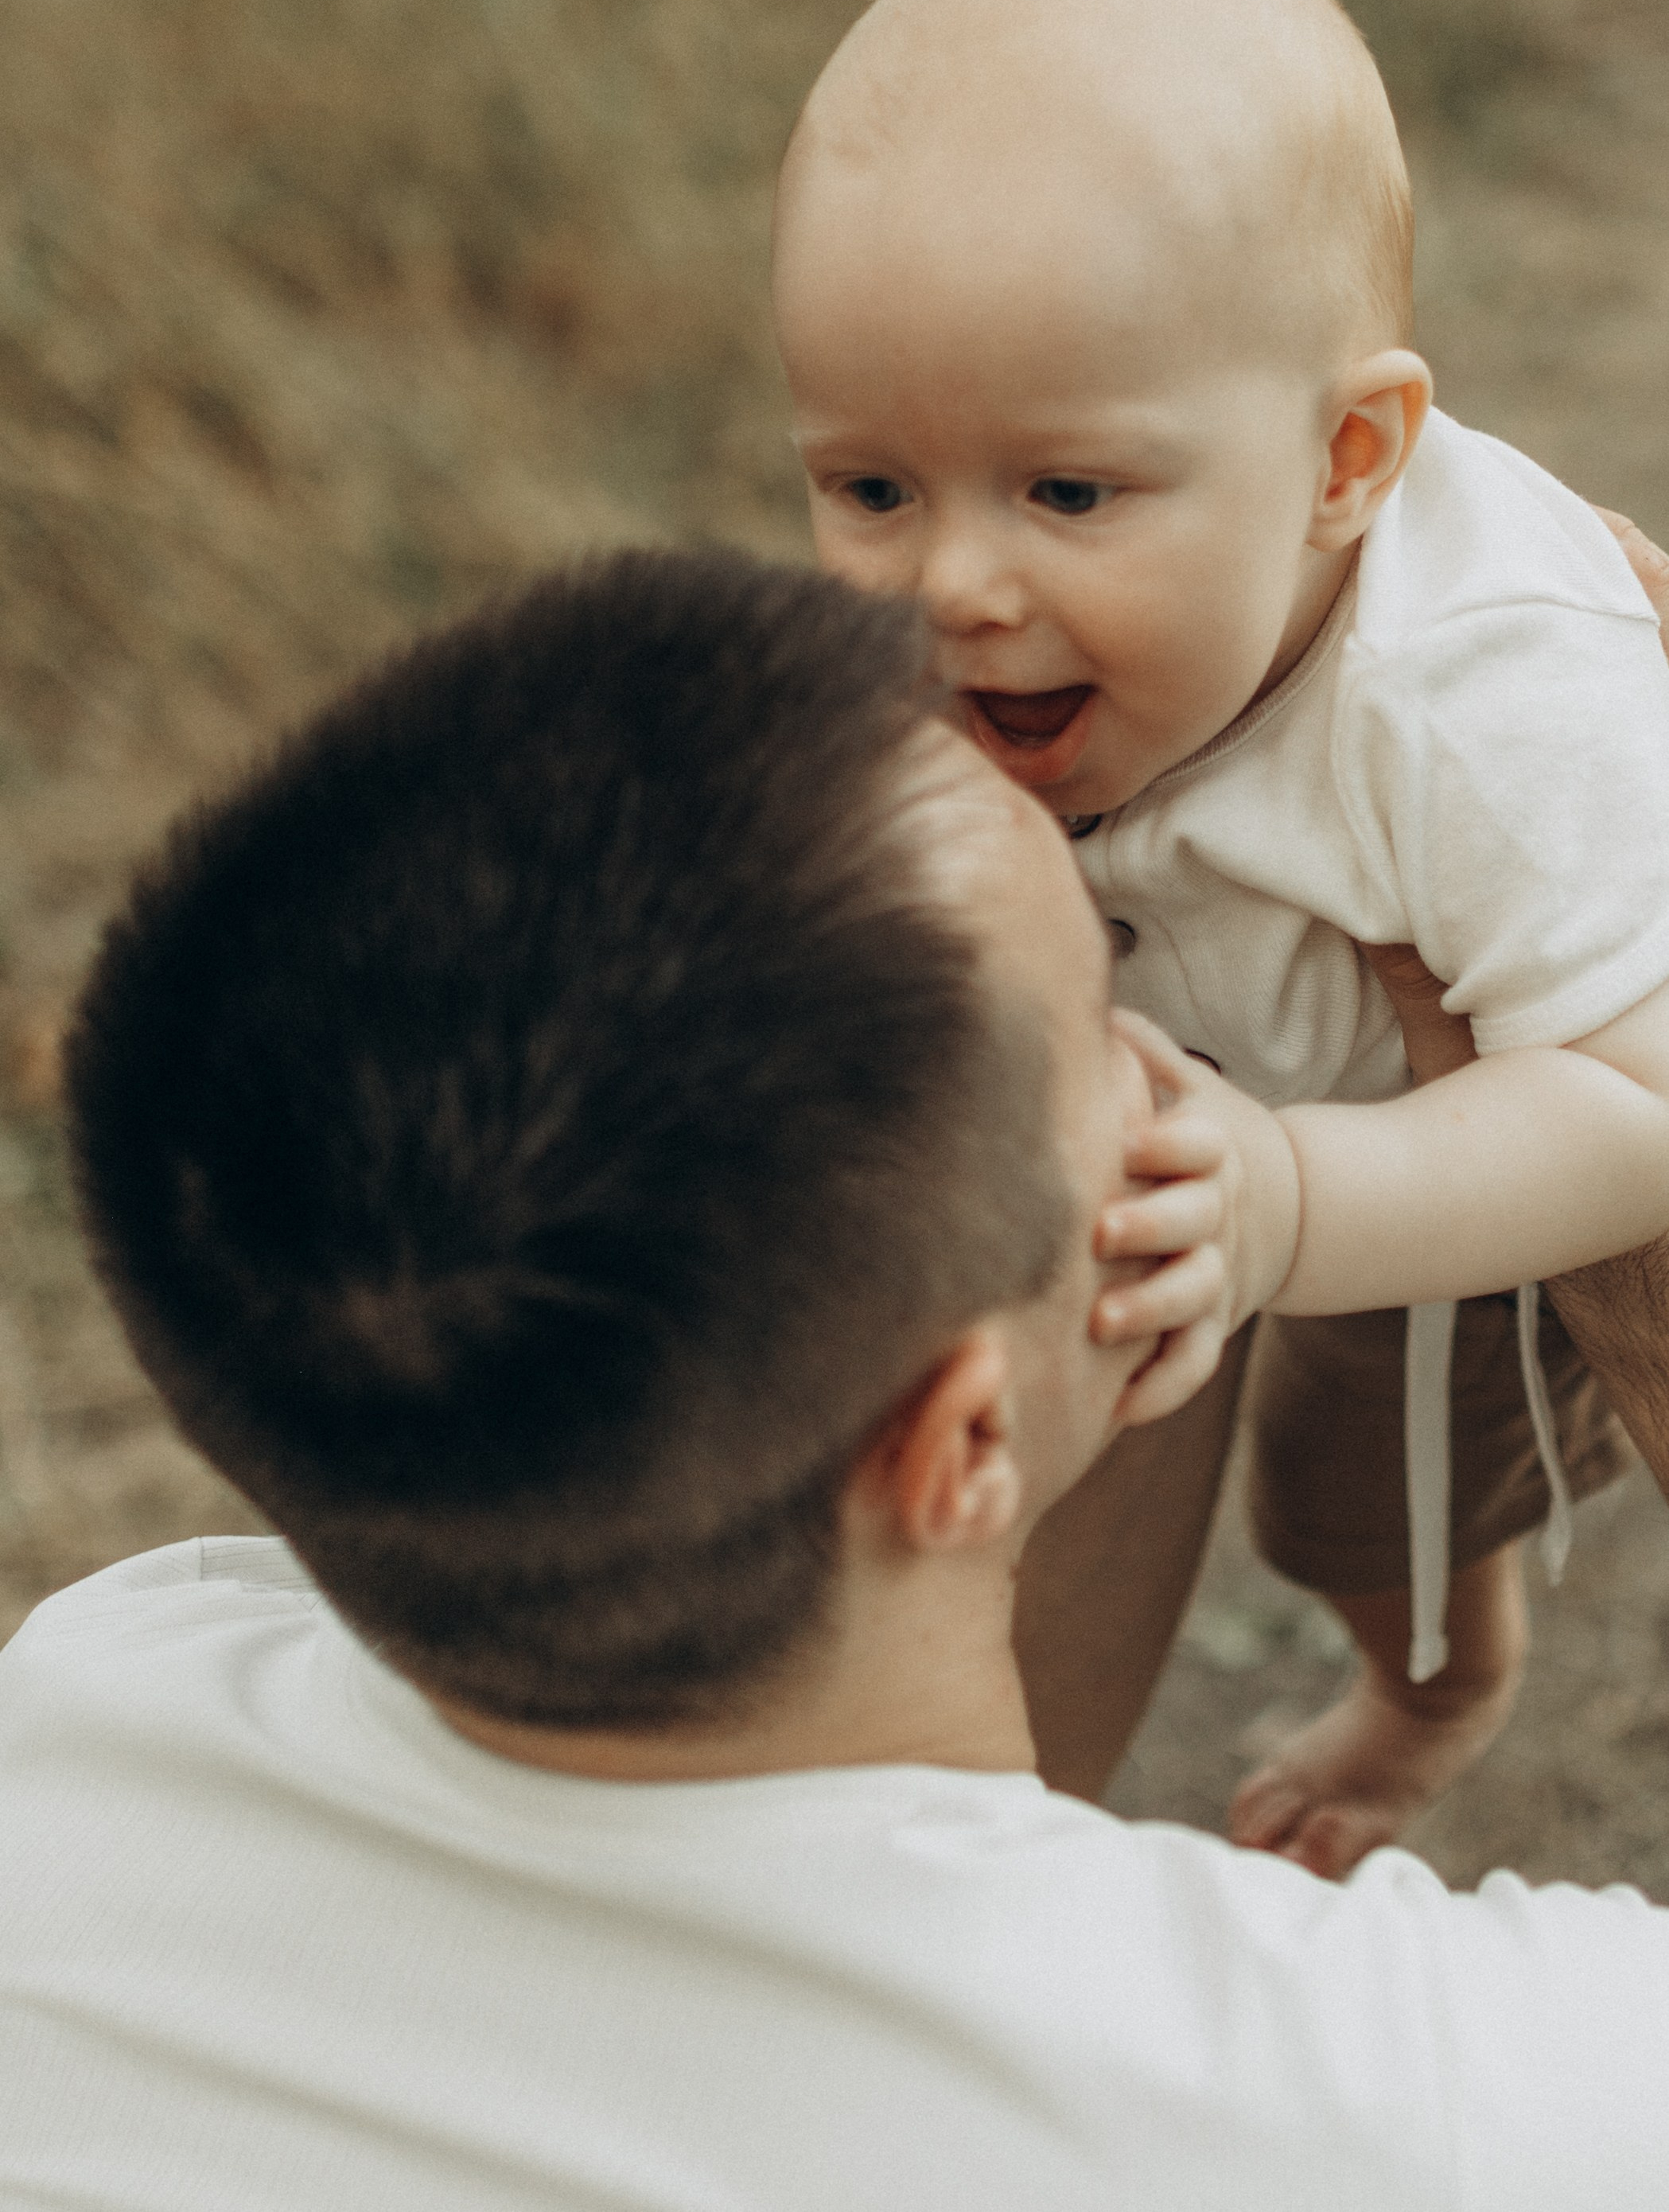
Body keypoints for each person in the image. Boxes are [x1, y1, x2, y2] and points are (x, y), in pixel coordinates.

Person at [6, 541, 1669, 2212]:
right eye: (1107, 1003)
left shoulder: (87, 1714)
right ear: (953, 1443)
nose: (1174, 1053)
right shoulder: (1401, 2105)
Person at [772, 0, 1669, 1874]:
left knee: (1376, 1485)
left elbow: (1632, 1104)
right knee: (1190, 1447)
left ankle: (1438, 1683)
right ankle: (988, 1806)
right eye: (868, 485)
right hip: (1219, 1086)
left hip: (1475, 1130)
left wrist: (1301, 1197)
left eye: (1066, 492)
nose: (952, 585)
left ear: (1345, 457)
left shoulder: (1484, 705)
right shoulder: (995, 641)